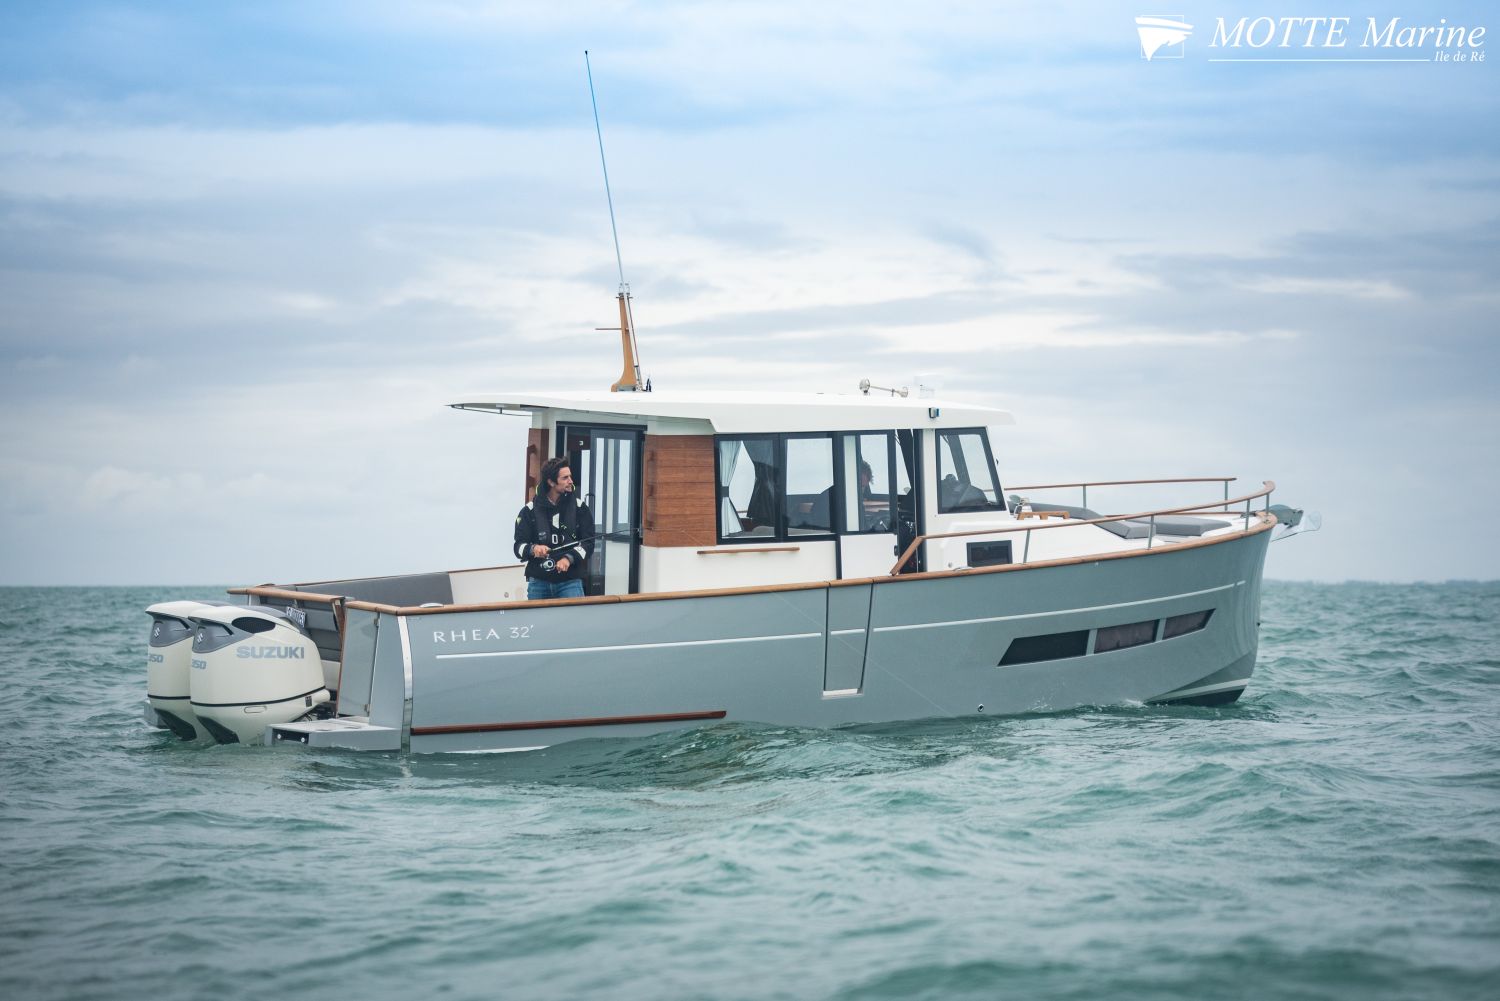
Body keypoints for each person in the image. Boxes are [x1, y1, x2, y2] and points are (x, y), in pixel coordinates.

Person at [513, 457, 594, 600]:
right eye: (565, 478)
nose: (571, 481)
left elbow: (589, 544)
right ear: (551, 482)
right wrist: (533, 549)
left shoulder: (581, 508)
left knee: (576, 616)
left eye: (570, 476)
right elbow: (518, 547)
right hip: (538, 583)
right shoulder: (528, 512)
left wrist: (568, 559)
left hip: (571, 582)